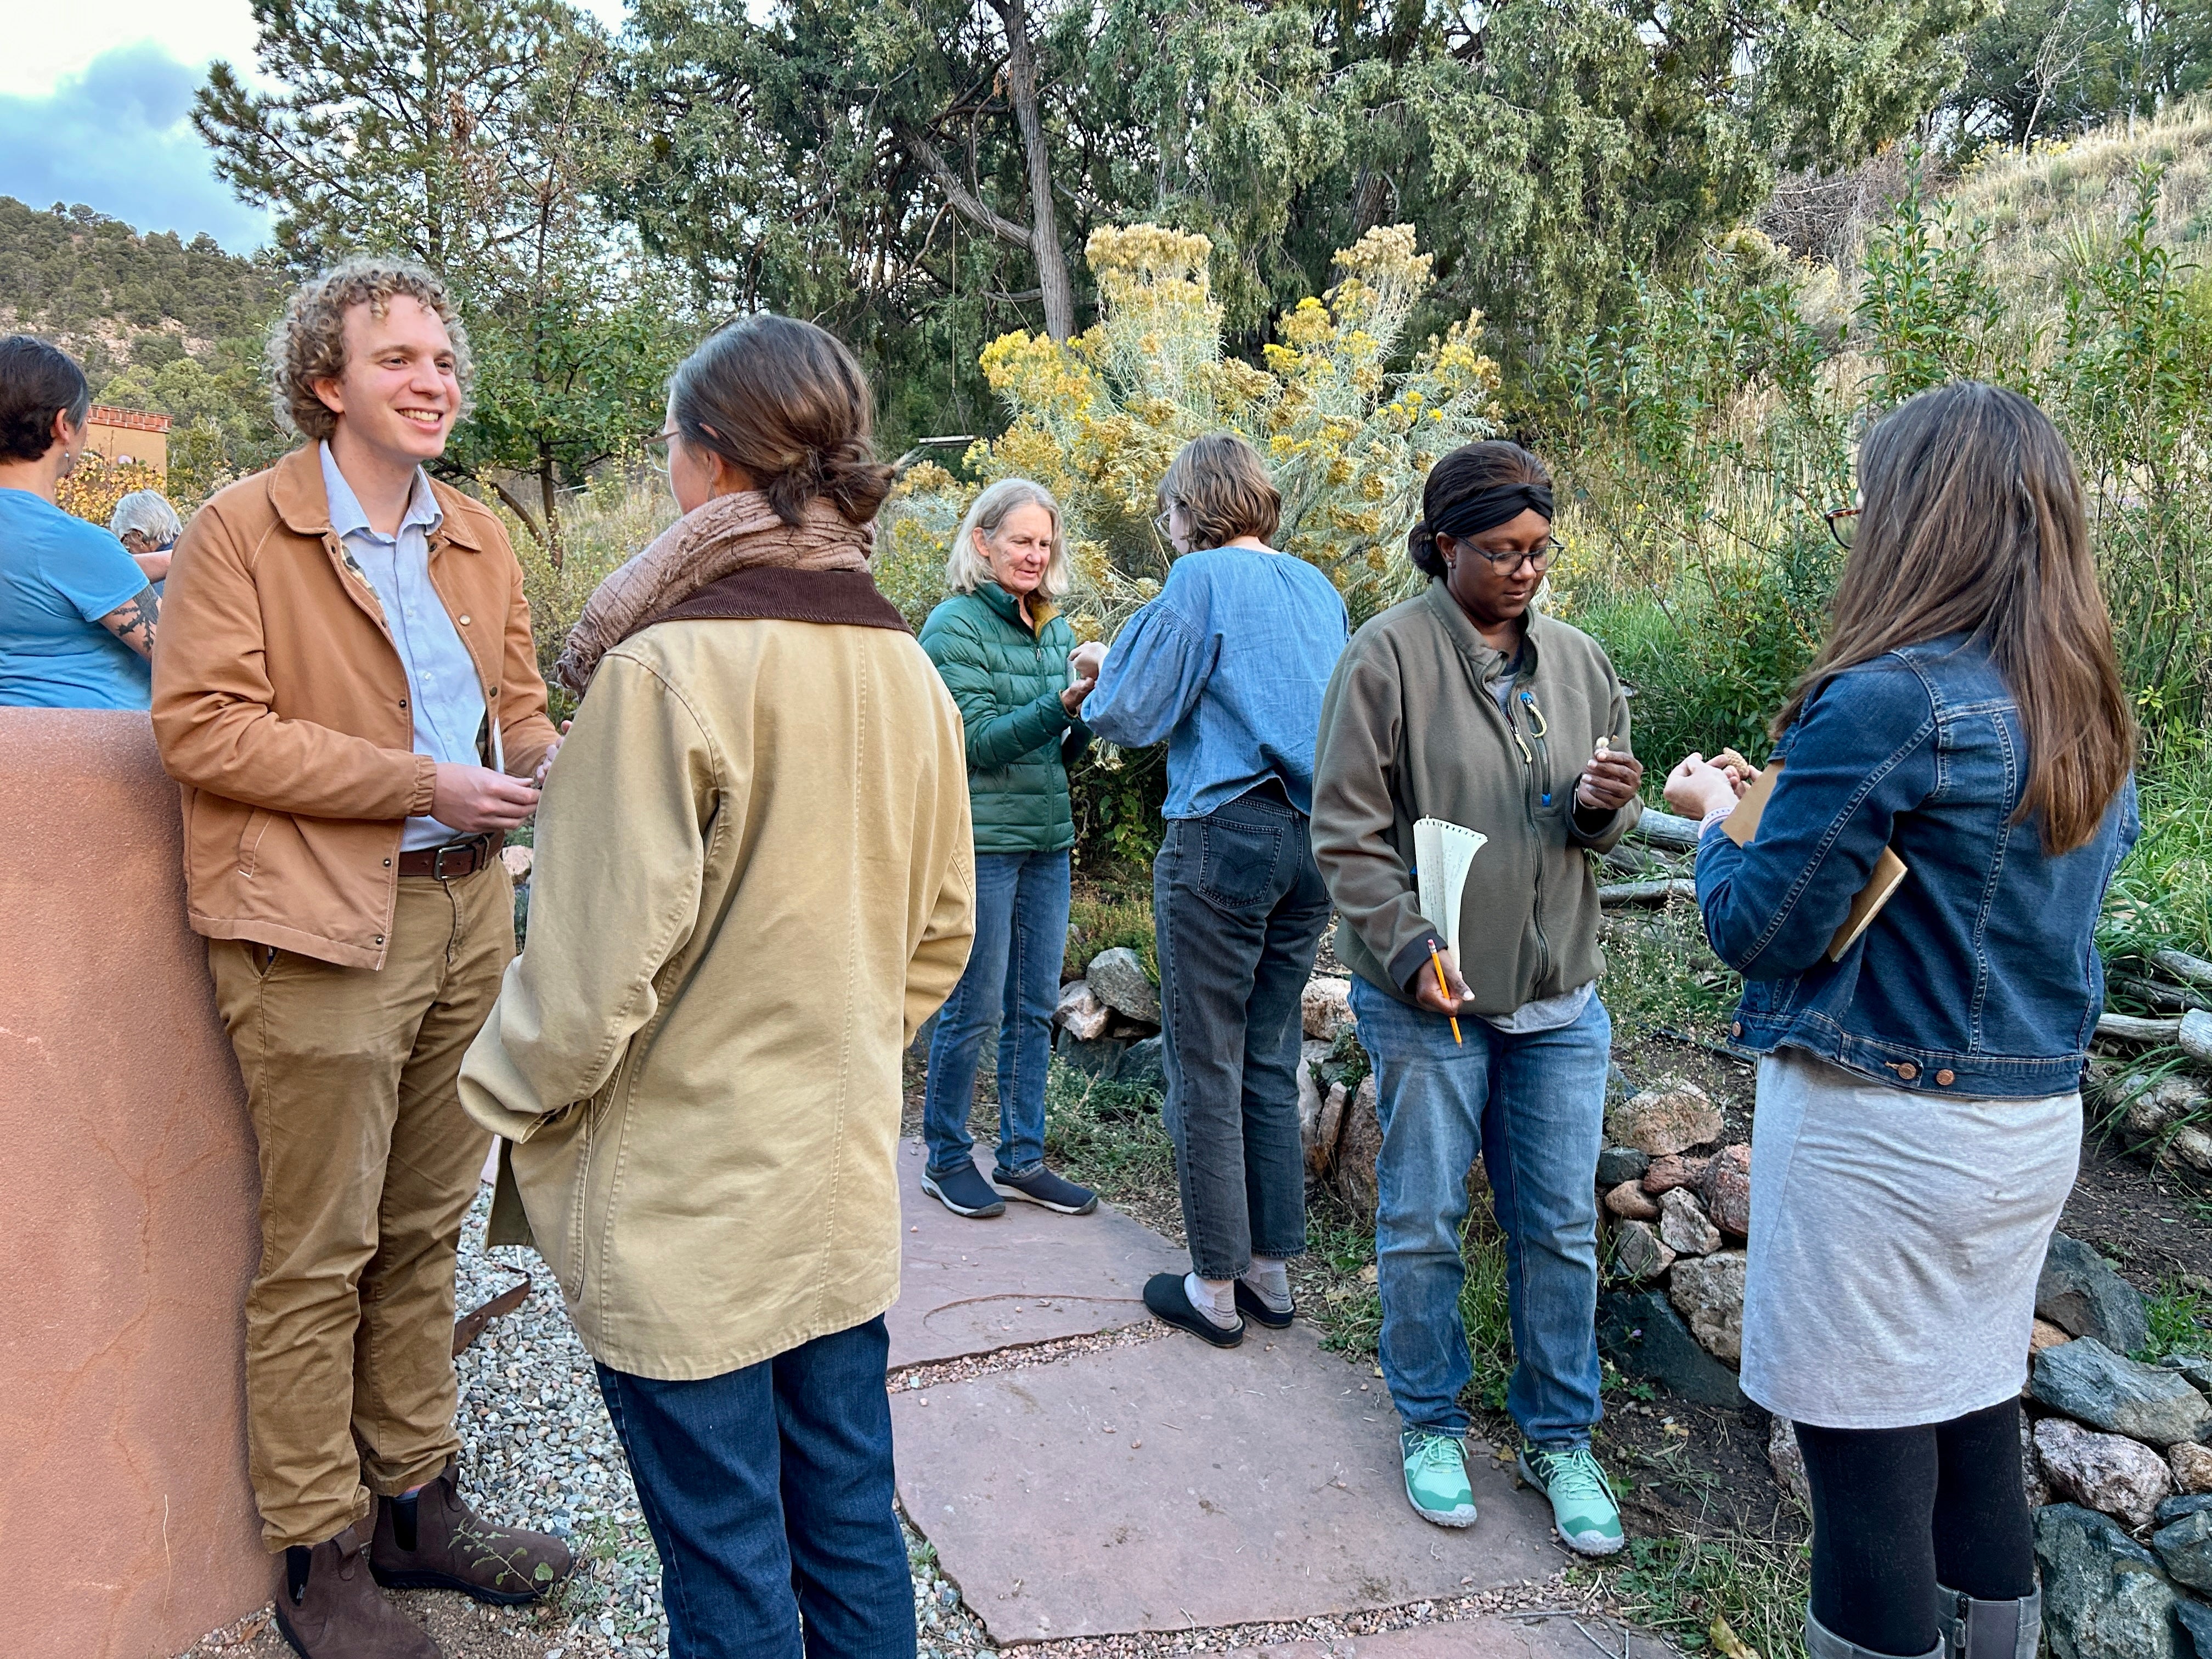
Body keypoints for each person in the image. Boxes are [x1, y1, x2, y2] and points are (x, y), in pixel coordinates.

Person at [458, 314, 977, 1659]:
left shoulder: (662, 670)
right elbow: (941, 933)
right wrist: (836, 1037)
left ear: (705, 463)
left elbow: (580, 992)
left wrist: (509, 1102)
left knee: (729, 1559)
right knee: (852, 1521)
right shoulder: (907, 665)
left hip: (687, 1201)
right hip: (834, 1180)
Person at [1663, 382, 2137, 1659]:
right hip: (2028, 1130)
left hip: (1890, 1140)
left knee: (1865, 1472)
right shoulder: (2085, 706)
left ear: (1921, 518)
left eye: (1871, 497)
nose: (1858, 520)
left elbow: (1763, 928)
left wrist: (1718, 818)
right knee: (1974, 1418)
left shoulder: (1891, 700)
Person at [150, 259, 571, 1659]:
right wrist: (413, 784)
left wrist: (575, 774)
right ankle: (320, 1560)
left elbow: (518, 713)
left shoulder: (479, 536)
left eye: (444, 358)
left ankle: (416, 1505)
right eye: (399, 358)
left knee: (422, 1233)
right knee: (319, 1253)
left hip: (466, 917)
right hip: (320, 928)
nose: (435, 379)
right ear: (327, 384)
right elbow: (203, 728)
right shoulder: (236, 532)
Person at [1310, 439, 1643, 1553]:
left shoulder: (1583, 664)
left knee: (1558, 1228)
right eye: (1500, 550)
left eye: (1539, 550)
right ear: (1444, 543)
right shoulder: (1385, 662)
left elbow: (1590, 830)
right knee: (1422, 1223)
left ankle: (1560, 1440)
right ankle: (1431, 1424)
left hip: (1557, 1003)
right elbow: (1347, 835)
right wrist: (1406, 949)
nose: (1523, 570)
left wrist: (1606, 804)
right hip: (1429, 1000)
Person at [1076, 433, 1348, 1347]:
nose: (1167, 528)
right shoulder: (1317, 588)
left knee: (1205, 1058)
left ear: (1193, 510)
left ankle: (1214, 1283)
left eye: (1168, 512)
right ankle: (1271, 1271)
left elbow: (1132, 709)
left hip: (1224, 834)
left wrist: (1097, 672)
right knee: (1269, 1056)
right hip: (1316, 841)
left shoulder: (1196, 581)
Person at [916, 477, 1101, 1219]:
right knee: (974, 1006)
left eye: (1044, 543)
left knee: (1032, 1008)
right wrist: (1059, 704)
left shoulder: (1052, 626)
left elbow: (1063, 754)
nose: (1033, 555)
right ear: (982, 541)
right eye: (1020, 540)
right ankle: (946, 1156)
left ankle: (1022, 1158)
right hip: (984, 842)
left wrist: (1092, 704)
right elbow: (981, 744)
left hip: (1047, 840)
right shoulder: (951, 628)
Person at [0, 335, 160, 709]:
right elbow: (184, 658)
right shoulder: (68, 541)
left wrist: (167, 562)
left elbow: (48, 580)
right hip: (89, 749)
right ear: (63, 426)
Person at [111, 487, 184, 585]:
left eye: (126, 542)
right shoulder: (192, 548)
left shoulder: (162, 578)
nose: (128, 551)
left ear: (138, 535)